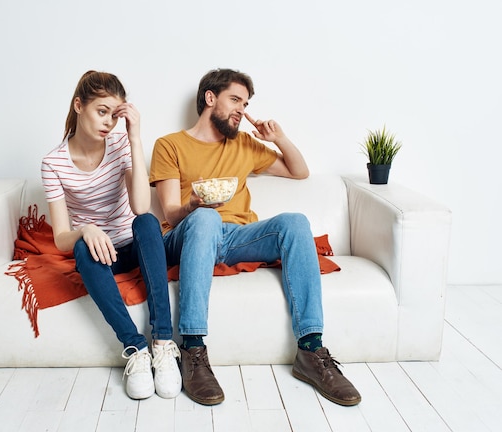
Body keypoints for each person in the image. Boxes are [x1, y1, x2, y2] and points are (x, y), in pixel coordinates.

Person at [149, 68, 361, 406]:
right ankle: (192, 349)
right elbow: (170, 212)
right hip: (187, 233)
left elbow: (299, 172)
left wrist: (278, 138)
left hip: (235, 237)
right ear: (210, 98)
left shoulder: (245, 144)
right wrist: (192, 205)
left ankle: (310, 351)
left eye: (245, 103)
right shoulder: (170, 145)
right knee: (204, 218)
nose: (242, 110)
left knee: (294, 222)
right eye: (235, 100)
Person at [41, 71, 181, 400]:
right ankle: (135, 348)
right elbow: (61, 236)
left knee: (146, 223)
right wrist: (86, 229)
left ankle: (162, 341)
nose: (108, 123)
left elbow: (141, 205)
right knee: (79, 249)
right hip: (100, 254)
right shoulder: (53, 163)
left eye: (114, 115)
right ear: (79, 105)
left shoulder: (120, 144)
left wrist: (134, 138)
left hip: (135, 246)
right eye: (101, 111)